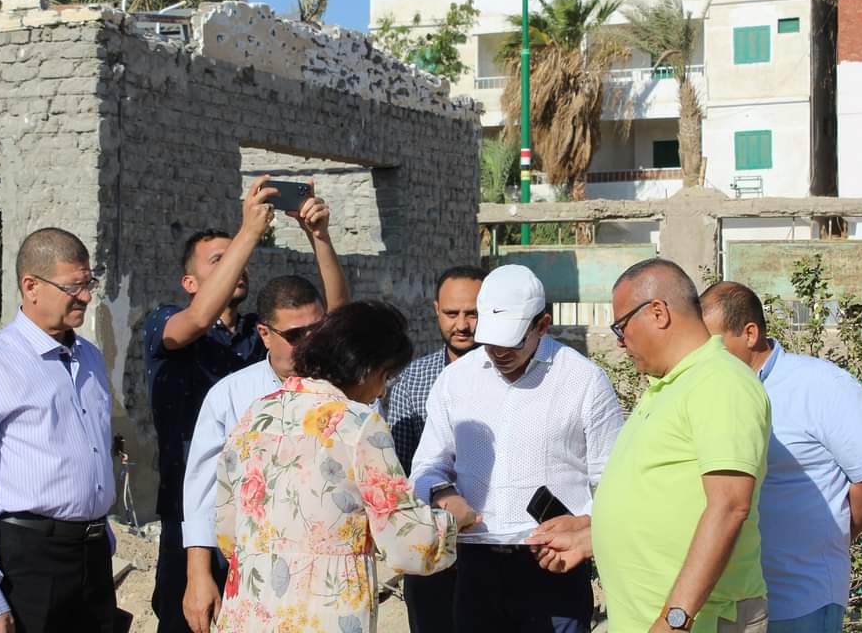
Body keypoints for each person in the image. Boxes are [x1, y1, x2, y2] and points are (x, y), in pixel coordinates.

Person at [143, 175, 348, 633]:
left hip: (267, 524)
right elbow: (198, 317)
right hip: (191, 516)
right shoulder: (164, 323)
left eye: (240, 255)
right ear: (189, 281)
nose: (238, 263)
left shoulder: (265, 335)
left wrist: (319, 238)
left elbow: (337, 326)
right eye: (220, 259)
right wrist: (250, 231)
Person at [531, 259, 772, 633]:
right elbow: (665, 503)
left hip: (697, 622)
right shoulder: (669, 386)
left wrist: (675, 618)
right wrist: (593, 535)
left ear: (658, 312)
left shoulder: (720, 382)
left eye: (621, 326)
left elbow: (729, 507)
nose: (619, 340)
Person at [213, 300, 468, 632]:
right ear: (364, 368)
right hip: (323, 611)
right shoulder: (358, 425)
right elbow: (407, 543)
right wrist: (453, 520)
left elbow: (227, 528)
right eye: (385, 376)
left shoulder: (255, 415)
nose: (382, 391)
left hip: (249, 608)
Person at [410, 264, 625, 633]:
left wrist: (586, 524)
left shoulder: (584, 381)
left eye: (511, 342)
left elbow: (613, 481)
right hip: (473, 563)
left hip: (553, 563)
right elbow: (427, 466)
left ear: (542, 325)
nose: (498, 352)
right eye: (489, 340)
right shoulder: (454, 381)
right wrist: (443, 494)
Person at [700, 281, 862, 633]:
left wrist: (834, 535)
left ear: (750, 334)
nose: (705, 355)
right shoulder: (715, 392)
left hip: (800, 598)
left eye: (714, 343)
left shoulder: (820, 385)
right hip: (733, 599)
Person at [0, 228, 115, 633]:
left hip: (92, 557)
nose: (86, 296)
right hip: (31, 562)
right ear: (31, 286)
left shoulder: (90, 359)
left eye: (89, 283)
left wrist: (101, 537)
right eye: (73, 287)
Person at [180, 275, 347, 633]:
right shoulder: (230, 396)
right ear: (265, 334)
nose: (309, 344)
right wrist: (198, 575)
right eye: (295, 335)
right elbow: (202, 492)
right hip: (251, 575)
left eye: (317, 331)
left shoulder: (347, 392)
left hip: (329, 579)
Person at [381, 264, 485, 633]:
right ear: (436, 310)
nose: (462, 325)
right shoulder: (412, 380)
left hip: (496, 545)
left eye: (472, 313)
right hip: (434, 547)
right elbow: (402, 469)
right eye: (452, 313)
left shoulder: (514, 377)